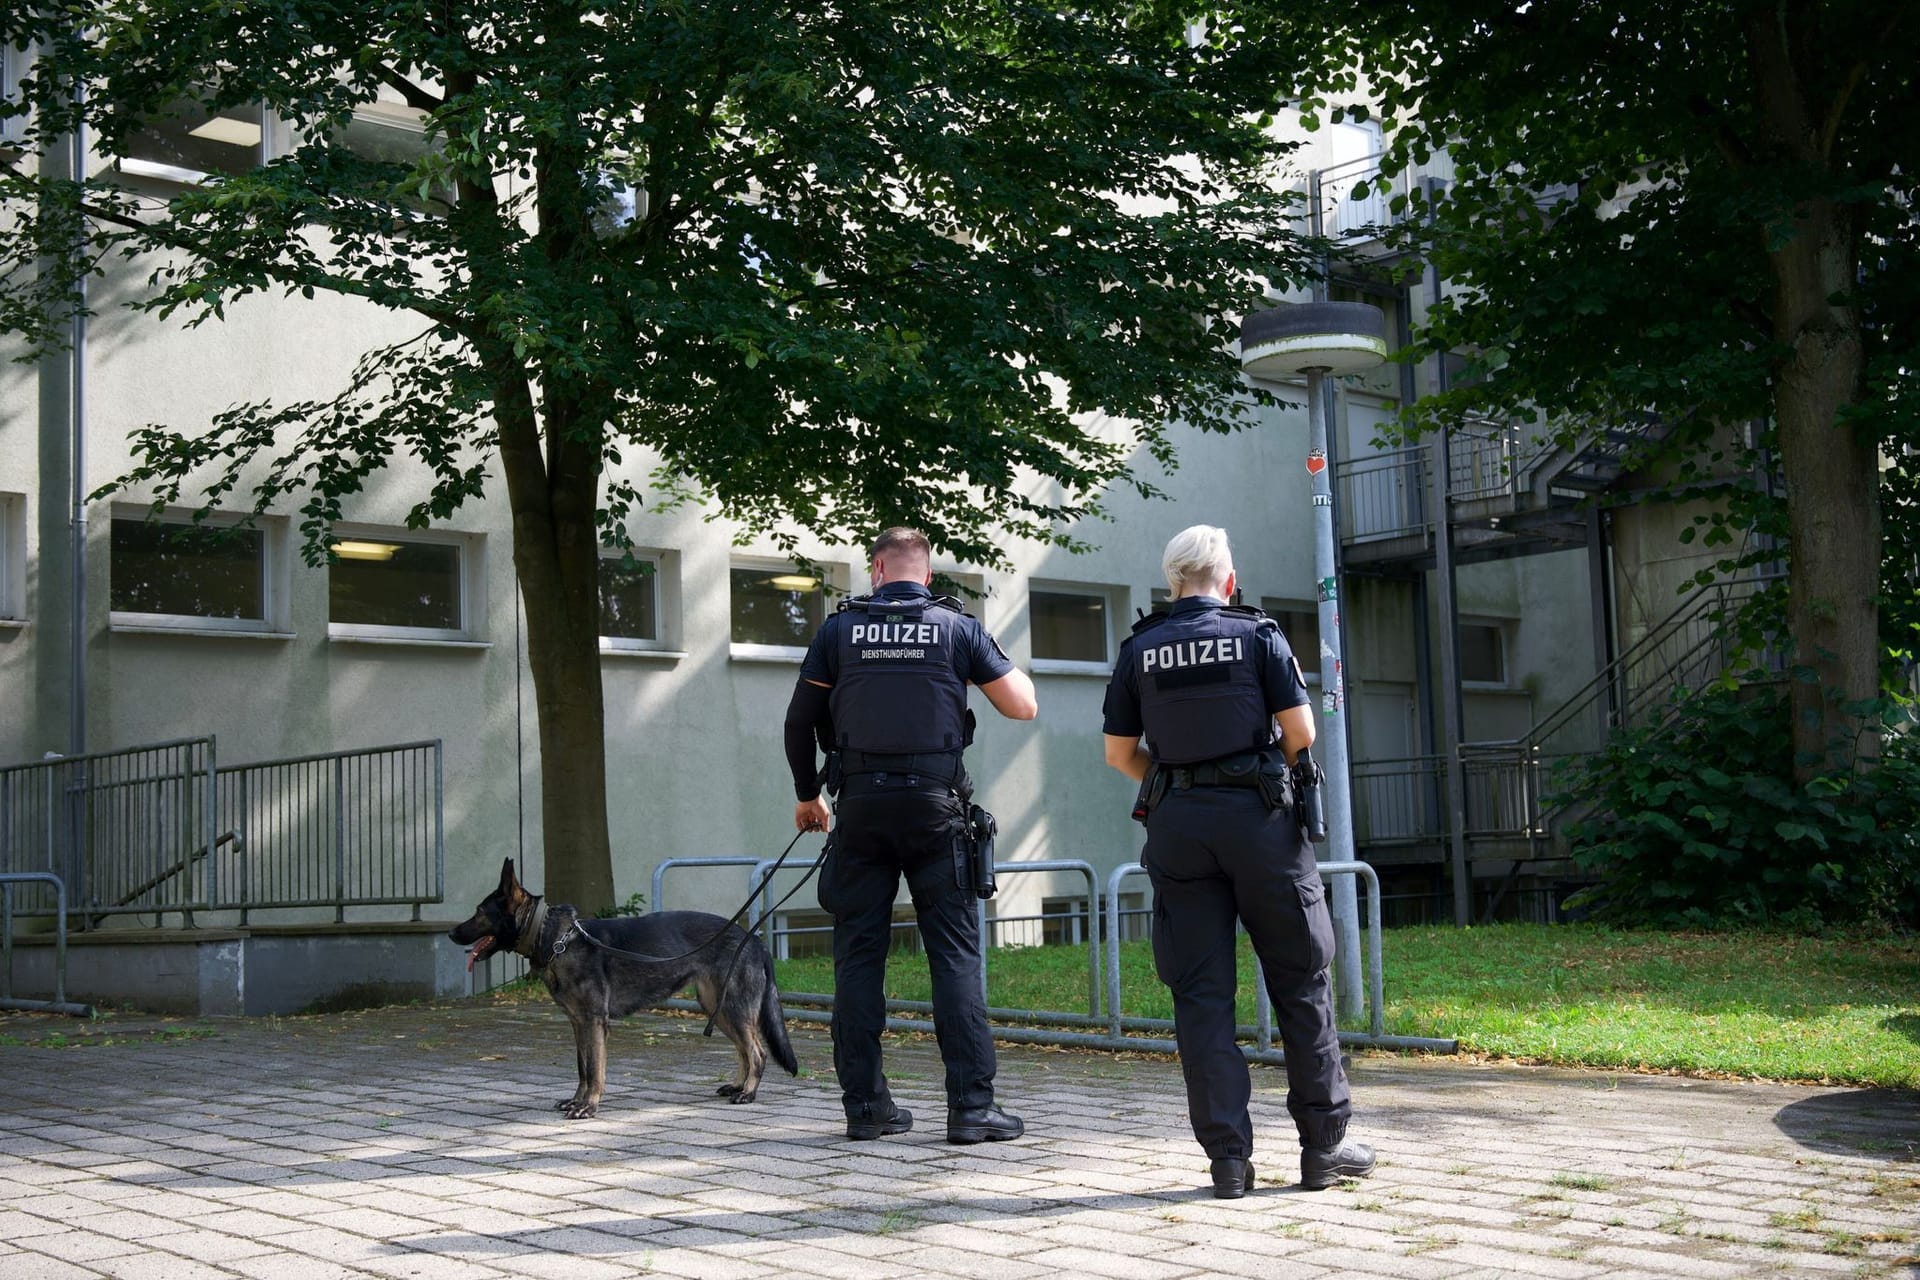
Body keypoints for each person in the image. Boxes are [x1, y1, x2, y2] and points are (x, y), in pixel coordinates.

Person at [1100, 524, 1375, 1198]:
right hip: (1259, 823)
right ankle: (1323, 1148)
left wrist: (1177, 784)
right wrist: (1251, 779)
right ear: (1228, 579)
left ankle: (1227, 1161)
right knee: (1299, 977)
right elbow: (1301, 733)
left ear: (1172, 582)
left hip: (1178, 826)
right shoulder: (1258, 635)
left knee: (1200, 995)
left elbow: (1118, 754)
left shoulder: (1140, 647)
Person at [783, 527, 1038, 1144]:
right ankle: (972, 1109)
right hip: (935, 810)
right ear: (927, 575)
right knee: (953, 956)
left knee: (858, 958)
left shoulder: (839, 632)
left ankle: (866, 1110)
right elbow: (1023, 705)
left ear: (875, 569)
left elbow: (798, 721)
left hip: (862, 810)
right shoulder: (956, 628)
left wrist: (806, 795)